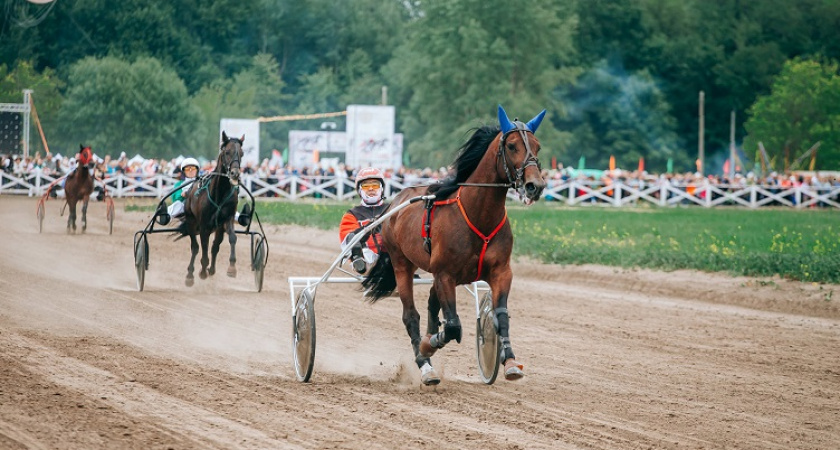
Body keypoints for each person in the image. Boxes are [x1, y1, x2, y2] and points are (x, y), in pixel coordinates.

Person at [339, 167, 388, 274]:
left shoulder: (392, 209)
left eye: (375, 185)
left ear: (381, 188)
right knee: (354, 239)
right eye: (366, 186)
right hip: (367, 256)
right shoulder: (352, 214)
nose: (371, 189)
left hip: (391, 253)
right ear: (359, 190)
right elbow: (346, 238)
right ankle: (358, 259)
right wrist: (369, 228)